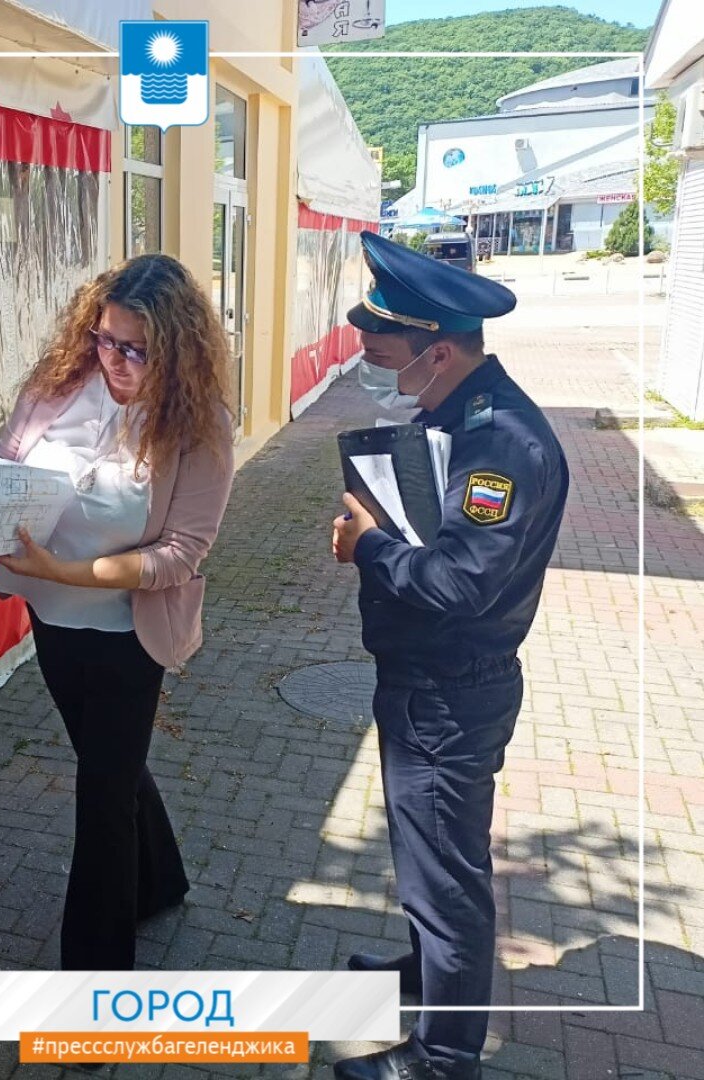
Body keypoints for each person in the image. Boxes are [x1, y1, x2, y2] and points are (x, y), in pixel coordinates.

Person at [0, 253, 235, 971]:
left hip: (129, 632)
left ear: (177, 349)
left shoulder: (198, 425)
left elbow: (180, 554)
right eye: (104, 339)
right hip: (52, 617)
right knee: (108, 766)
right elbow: (5, 477)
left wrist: (65, 570)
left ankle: (96, 982)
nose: (114, 360)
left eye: (136, 349)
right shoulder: (56, 386)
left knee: (101, 799)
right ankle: (162, 879)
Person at [330, 231, 569, 1080]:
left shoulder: (498, 442)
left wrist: (366, 546)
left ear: (436, 349)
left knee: (447, 882)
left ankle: (442, 1058)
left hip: (449, 692)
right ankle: (424, 972)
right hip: (428, 681)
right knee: (426, 858)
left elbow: (461, 581)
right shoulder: (458, 409)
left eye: (381, 343)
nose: (367, 352)